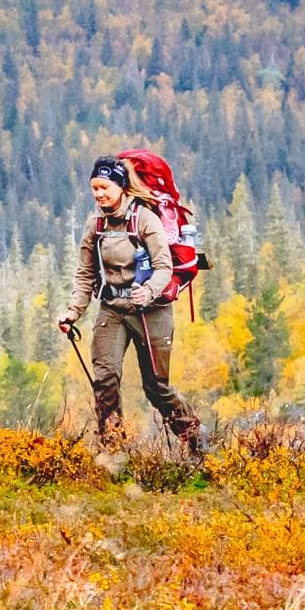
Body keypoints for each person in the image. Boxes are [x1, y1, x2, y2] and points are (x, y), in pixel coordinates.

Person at [59, 155, 205, 458]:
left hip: (150, 310)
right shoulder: (95, 224)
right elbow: (85, 274)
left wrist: (149, 291)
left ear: (122, 186)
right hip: (111, 308)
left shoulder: (145, 219)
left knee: (156, 388)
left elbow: (164, 266)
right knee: (105, 381)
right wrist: (73, 312)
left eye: (104, 187)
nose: (99, 194)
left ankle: (196, 440)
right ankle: (114, 451)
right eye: (94, 188)